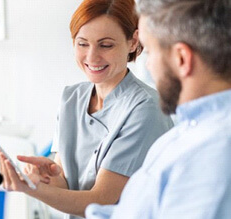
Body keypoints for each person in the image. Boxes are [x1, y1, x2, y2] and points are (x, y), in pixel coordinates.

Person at [0, 0, 173, 218]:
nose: (92, 57)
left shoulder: (145, 108)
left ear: (133, 41)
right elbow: (65, 185)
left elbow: (101, 200)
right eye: (82, 44)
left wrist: (33, 189)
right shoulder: (71, 98)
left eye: (105, 45)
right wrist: (51, 179)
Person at [85, 0, 231, 218]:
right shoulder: (185, 135)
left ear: (182, 59)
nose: (148, 65)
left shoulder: (213, 151)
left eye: (150, 52)